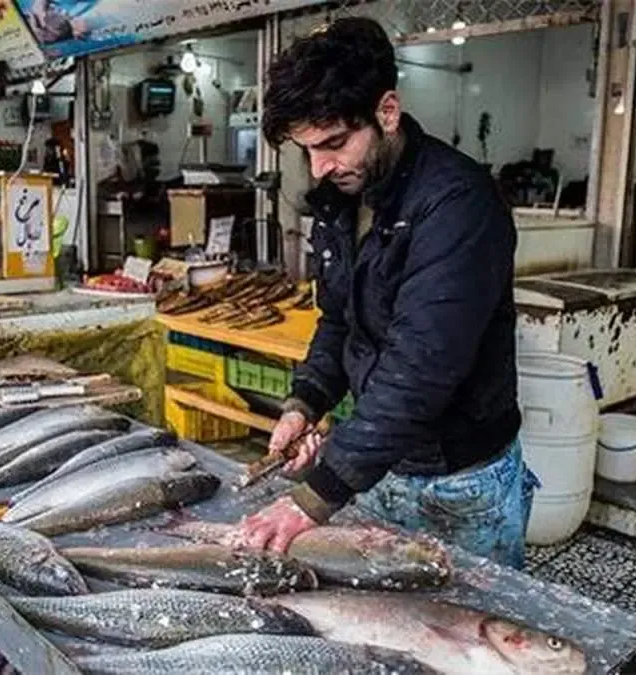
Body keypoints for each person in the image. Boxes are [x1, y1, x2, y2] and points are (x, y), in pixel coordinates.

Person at [229, 18, 538, 569]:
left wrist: (315, 497)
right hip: (380, 468)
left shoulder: (458, 205)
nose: (320, 168)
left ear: (387, 111)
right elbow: (339, 320)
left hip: (460, 483)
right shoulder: (345, 198)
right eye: (306, 150)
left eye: (334, 144)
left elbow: (420, 367)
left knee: (475, 620)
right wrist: (307, 402)